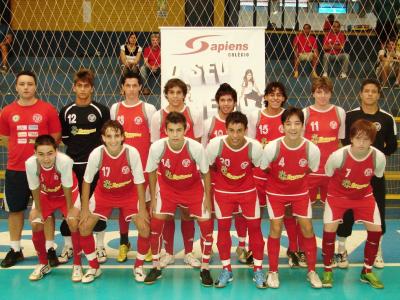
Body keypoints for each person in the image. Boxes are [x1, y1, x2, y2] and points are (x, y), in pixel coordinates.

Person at [143, 112, 214, 286]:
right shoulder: (157, 147)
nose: (175, 134)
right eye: (171, 130)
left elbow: (205, 173)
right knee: (156, 222)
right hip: (167, 189)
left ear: (185, 130)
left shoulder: (195, 147)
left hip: (193, 189)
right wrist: (153, 197)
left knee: (206, 224)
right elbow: (151, 172)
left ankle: (205, 268)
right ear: (165, 130)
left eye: (179, 130)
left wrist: (208, 198)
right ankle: (155, 266)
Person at [0, 70, 61, 268]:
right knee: (15, 210)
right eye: (22, 84)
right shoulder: (7, 112)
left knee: (47, 211)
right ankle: (16, 249)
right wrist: (21, 150)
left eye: (30, 84)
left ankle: (50, 248)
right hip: (16, 169)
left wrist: (41, 156)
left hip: (43, 170)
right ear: (16, 86)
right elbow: (5, 139)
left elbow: (55, 136)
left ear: (36, 86)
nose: (26, 87)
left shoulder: (47, 109)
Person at [335, 79, 397, 269]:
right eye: (366, 91)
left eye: (374, 91)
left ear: (379, 95)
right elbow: (342, 142)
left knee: (377, 211)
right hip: (350, 176)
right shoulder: (350, 116)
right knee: (346, 212)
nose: (370, 94)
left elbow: (392, 145)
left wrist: (374, 160)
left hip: (374, 176)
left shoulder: (387, 118)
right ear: (360, 94)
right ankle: (341, 250)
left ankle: (376, 251)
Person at [79, 120, 149, 283]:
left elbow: (139, 181)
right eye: (109, 136)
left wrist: (143, 209)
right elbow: (87, 181)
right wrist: (84, 208)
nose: (113, 140)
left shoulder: (132, 152)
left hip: (129, 194)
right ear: (103, 138)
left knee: (144, 227)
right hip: (104, 195)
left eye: (116, 136)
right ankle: (94, 267)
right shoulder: (97, 153)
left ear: (123, 136)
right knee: (84, 227)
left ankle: (138, 266)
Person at [260, 107, 322, 289]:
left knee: (308, 227)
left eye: (297, 123)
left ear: (303, 125)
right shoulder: (273, 147)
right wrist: (282, 178)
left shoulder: (312, 149)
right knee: (276, 227)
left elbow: (311, 168)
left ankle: (311, 271)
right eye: (288, 124)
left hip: (300, 192)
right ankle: (272, 272)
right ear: (282, 127)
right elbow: (265, 168)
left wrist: (294, 178)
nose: (293, 128)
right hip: (276, 193)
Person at [321, 119, 386, 289]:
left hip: (364, 196)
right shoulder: (338, 156)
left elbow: (377, 176)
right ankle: (327, 269)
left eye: (366, 139)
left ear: (372, 140)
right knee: (329, 229)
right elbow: (328, 172)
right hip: (337, 196)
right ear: (351, 138)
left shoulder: (378, 157)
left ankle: (367, 271)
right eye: (358, 138)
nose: (362, 143)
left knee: (376, 231)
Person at [206, 111, 267, 289]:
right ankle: (226, 269)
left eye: (239, 131)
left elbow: (259, 166)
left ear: (246, 130)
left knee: (255, 228)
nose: (235, 135)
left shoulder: (254, 147)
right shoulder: (215, 145)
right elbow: (208, 167)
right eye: (231, 130)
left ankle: (257, 269)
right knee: (223, 229)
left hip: (247, 191)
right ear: (225, 129)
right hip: (223, 192)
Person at [248, 82, 305, 268]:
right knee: (256, 213)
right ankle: (253, 248)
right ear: (265, 97)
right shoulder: (256, 115)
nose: (275, 98)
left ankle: (293, 249)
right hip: (259, 174)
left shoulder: (289, 118)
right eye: (271, 94)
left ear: (284, 98)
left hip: (282, 176)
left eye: (279, 95)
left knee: (288, 213)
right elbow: (249, 144)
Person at [58, 69, 110, 264]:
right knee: (69, 207)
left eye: (86, 86)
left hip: (95, 167)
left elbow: (106, 139)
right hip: (72, 167)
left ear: (92, 88)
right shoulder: (66, 111)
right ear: (74, 87)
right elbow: (65, 139)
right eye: (79, 85)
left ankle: (100, 246)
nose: (82, 89)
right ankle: (68, 246)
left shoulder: (101, 110)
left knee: (98, 206)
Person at [150, 78, 203, 268]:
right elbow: (155, 147)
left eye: (178, 92)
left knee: (188, 214)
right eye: (171, 92)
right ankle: (169, 253)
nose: (175, 96)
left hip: (189, 176)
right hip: (167, 176)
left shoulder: (194, 113)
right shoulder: (158, 117)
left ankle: (189, 253)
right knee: (168, 214)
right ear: (166, 94)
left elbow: (198, 143)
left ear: (184, 94)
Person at [110, 70, 156, 264]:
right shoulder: (115, 108)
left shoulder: (149, 109)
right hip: (122, 168)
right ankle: (123, 242)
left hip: (143, 167)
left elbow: (153, 142)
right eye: (127, 86)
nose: (131, 89)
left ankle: (146, 242)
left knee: (144, 206)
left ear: (140, 88)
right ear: (122, 88)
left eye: (134, 85)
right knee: (123, 206)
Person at [203, 83, 251, 264]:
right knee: (213, 214)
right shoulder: (209, 123)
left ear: (235, 102)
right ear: (217, 102)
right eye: (222, 100)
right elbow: (203, 153)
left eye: (229, 100)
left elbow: (248, 147)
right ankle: (209, 246)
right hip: (216, 178)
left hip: (239, 179)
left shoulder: (241, 124)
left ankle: (242, 246)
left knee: (240, 214)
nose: (226, 103)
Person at [26, 135, 82, 281]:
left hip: (67, 193)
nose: (46, 158)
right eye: (41, 154)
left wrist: (70, 210)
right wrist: (37, 209)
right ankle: (43, 263)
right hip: (46, 194)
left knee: (73, 222)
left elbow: (67, 186)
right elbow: (35, 187)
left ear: (56, 151)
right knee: (35, 223)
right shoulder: (30, 164)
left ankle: (77, 264)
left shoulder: (65, 162)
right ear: (35, 153)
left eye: (50, 153)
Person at [303, 77, 345, 205]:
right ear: (313, 93)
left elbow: (340, 141)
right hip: (310, 171)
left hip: (331, 171)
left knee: (332, 209)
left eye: (326, 92)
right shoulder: (305, 113)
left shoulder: (339, 112)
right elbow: (300, 144)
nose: (323, 96)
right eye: (319, 92)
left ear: (331, 93)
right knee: (303, 211)